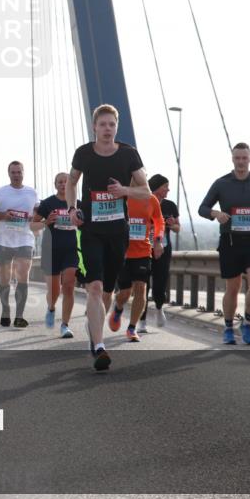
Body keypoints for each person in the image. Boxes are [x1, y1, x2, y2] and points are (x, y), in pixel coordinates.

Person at [65, 104, 150, 371]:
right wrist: (72, 209)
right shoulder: (83, 153)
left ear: (116, 127)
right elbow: (71, 182)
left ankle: (95, 326)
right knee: (94, 286)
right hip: (91, 230)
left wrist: (124, 190)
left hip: (117, 232)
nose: (107, 129)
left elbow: (146, 191)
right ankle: (99, 346)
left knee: (107, 291)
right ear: (94, 127)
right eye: (102, 124)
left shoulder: (128, 154)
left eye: (111, 124)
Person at [198, 143, 250, 345]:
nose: (241, 162)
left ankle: (247, 324)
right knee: (233, 287)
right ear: (232, 159)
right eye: (237, 158)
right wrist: (215, 213)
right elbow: (202, 208)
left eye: (244, 158)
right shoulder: (221, 183)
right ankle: (228, 328)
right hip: (230, 242)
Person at [0, 161, 41, 327]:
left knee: (23, 275)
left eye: (19, 172)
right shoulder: (0, 193)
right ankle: (5, 310)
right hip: (4, 241)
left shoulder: (32, 193)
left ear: (23, 173)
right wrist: (4, 215)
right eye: (13, 172)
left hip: (25, 240)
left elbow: (37, 213)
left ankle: (19, 316)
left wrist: (34, 217)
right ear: (8, 174)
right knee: (4, 279)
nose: (16, 175)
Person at [108, 194, 164, 341]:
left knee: (141, 288)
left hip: (143, 252)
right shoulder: (121, 196)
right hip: (123, 252)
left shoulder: (151, 199)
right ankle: (118, 307)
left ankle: (132, 328)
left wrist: (158, 240)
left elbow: (159, 221)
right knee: (125, 293)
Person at [33, 172, 79, 338]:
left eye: (66, 182)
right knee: (54, 291)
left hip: (70, 250)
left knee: (69, 285)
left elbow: (86, 224)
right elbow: (32, 225)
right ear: (55, 185)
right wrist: (46, 222)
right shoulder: (47, 203)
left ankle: (65, 325)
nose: (63, 184)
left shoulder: (77, 204)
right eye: (59, 182)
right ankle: (51, 308)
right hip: (50, 250)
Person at [137, 174, 179, 332]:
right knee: (143, 285)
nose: (168, 189)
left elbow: (178, 228)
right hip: (144, 248)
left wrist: (172, 225)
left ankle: (159, 307)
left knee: (160, 285)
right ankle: (141, 321)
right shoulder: (142, 202)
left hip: (163, 250)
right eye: (165, 186)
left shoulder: (170, 205)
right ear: (156, 188)